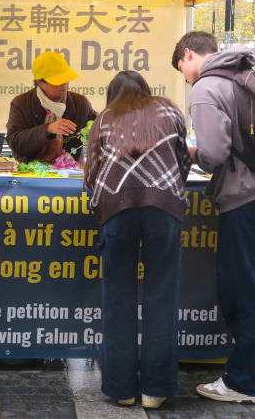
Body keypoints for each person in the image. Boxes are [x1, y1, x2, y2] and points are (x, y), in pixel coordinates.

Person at [172, 32, 255, 405]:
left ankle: (242, 382)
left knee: (245, 291)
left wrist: (191, 153)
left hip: (246, 197)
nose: (186, 78)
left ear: (189, 54)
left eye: (182, 69)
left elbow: (212, 153)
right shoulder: (253, 74)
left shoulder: (208, 87)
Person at [83, 71, 191, 410]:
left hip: (117, 210)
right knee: (162, 296)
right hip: (164, 209)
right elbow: (183, 161)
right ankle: (156, 390)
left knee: (118, 297)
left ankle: (121, 388)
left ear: (112, 94)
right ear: (146, 89)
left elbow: (91, 173)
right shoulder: (169, 110)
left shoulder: (104, 119)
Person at [6, 51, 96, 164]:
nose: (65, 84)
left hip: (71, 173)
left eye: (66, 78)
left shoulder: (81, 103)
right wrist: (47, 129)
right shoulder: (21, 103)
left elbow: (100, 126)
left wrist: (92, 130)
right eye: (58, 81)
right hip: (32, 174)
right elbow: (15, 142)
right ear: (40, 82)